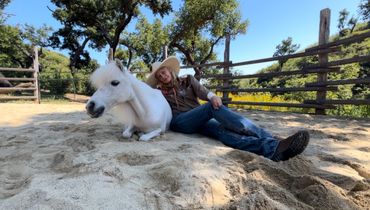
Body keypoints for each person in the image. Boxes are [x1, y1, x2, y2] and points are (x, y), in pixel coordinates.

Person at [146, 56, 310, 161]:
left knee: (221, 131)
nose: (162, 76)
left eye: (163, 72)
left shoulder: (187, 80)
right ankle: (273, 139)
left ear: (169, 70)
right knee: (211, 108)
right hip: (180, 122)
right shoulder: (158, 92)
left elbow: (203, 92)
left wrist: (213, 96)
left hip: (199, 118)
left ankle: (272, 148)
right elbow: (149, 105)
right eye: (159, 76)